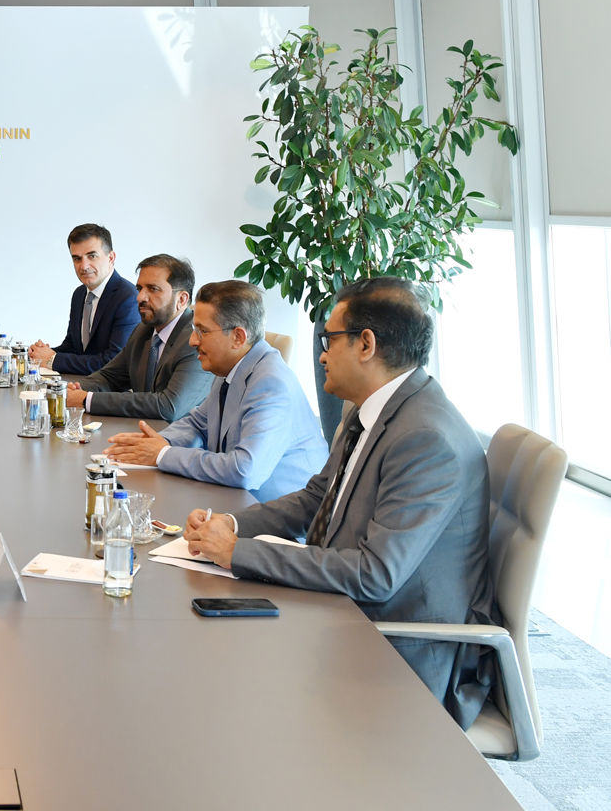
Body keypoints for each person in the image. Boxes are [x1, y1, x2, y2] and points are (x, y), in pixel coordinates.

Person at [182, 277, 497, 728]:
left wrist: (238, 553)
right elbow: (317, 498)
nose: (321, 355)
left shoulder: (426, 438)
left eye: (329, 339)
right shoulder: (371, 408)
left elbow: (375, 574)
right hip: (346, 611)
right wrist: (231, 524)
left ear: (366, 344)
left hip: (401, 651)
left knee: (229, 691)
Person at [104, 281, 326, 502]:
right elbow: (198, 423)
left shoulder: (271, 383)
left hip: (277, 515)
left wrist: (162, 454)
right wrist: (154, 443)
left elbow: (245, 470)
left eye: (202, 331)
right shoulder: (230, 367)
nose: (193, 340)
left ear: (238, 337)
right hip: (234, 500)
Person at [65, 254, 211, 422]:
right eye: (140, 288)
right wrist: (73, 390)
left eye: (153, 289)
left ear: (181, 299)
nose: (140, 297)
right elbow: (109, 377)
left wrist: (87, 400)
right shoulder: (144, 331)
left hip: (178, 437)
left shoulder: (196, 340)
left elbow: (168, 407)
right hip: (140, 430)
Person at [27, 223, 141, 375]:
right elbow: (72, 347)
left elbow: (112, 362)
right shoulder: (79, 294)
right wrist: (39, 355)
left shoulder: (128, 298)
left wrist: (52, 359)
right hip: (80, 383)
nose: (84, 266)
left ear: (111, 258)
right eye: (77, 259)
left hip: (109, 388)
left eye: (92, 256)